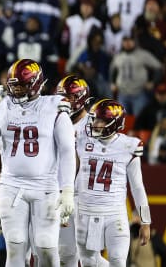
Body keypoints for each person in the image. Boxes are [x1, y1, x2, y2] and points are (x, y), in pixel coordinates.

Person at [0, 59, 76, 267]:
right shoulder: (2, 107)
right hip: (11, 186)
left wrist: (67, 190)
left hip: (46, 186)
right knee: (15, 248)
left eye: (21, 86)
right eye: (14, 86)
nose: (16, 91)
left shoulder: (54, 106)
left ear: (35, 84)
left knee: (47, 248)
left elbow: (67, 151)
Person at [76, 99, 151, 266]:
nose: (96, 124)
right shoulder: (82, 140)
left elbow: (138, 187)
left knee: (117, 260)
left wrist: (146, 221)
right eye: (95, 119)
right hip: (85, 211)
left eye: (101, 120)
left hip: (114, 213)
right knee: (88, 261)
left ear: (114, 123)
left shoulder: (128, 146)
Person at [53, 74, 92, 267]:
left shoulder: (94, 123)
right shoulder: (55, 120)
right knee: (63, 254)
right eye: (62, 97)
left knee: (89, 258)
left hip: (87, 196)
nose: (65, 102)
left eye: (69, 97)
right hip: (61, 193)